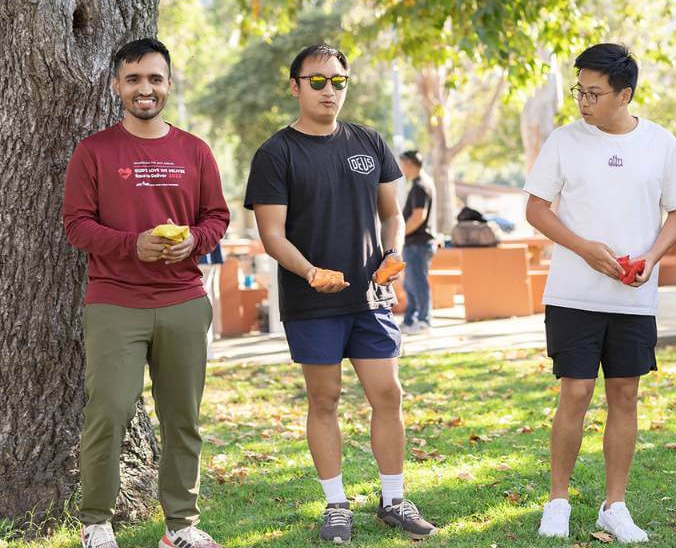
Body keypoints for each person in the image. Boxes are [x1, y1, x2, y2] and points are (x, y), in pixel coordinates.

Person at [243, 44, 436, 543]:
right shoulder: (275, 153)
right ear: (296, 87)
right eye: (318, 81)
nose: (330, 91)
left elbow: (392, 213)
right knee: (324, 399)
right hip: (312, 302)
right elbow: (272, 235)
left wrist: (392, 254)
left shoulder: (368, 142)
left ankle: (393, 499)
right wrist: (310, 272)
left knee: (388, 394)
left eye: (339, 81)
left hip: (369, 299)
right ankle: (336, 506)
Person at [62, 38, 230, 548]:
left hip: (182, 300)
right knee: (108, 411)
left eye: (155, 78)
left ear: (169, 85)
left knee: (183, 418)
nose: (145, 88)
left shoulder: (194, 150)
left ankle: (180, 527)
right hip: (115, 302)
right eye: (134, 79)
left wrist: (193, 244)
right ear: (117, 86)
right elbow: (76, 225)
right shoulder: (94, 151)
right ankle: (96, 523)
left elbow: (217, 217)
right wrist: (133, 244)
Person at [524, 43, 676, 543]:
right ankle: (558, 501)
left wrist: (653, 258)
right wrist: (585, 248)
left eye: (594, 93)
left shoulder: (661, 143)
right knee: (574, 393)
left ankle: (614, 506)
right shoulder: (563, 141)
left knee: (625, 396)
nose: (583, 101)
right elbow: (536, 209)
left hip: (634, 297)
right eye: (580, 90)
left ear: (625, 94)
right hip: (574, 295)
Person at [398, 150, 436, 334]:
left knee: (418, 282)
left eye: (402, 164)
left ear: (410, 164)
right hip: (414, 244)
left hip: (418, 243)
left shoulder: (420, 185)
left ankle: (423, 321)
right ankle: (410, 319)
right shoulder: (419, 184)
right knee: (410, 284)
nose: (401, 168)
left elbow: (418, 216)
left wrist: (400, 234)